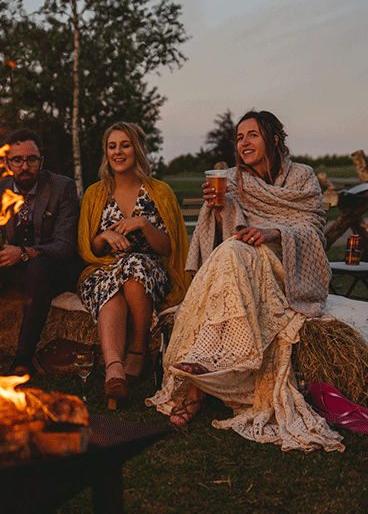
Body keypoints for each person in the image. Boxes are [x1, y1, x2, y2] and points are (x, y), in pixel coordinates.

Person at [146, 110, 344, 452]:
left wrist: (273, 232)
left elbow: (313, 229)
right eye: (239, 138)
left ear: (274, 139)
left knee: (233, 254)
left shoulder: (302, 177)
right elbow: (226, 236)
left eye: (251, 135)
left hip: (287, 266)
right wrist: (219, 210)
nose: (244, 143)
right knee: (232, 253)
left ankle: (197, 384)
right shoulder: (234, 180)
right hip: (243, 259)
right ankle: (207, 365)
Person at [78, 122, 191, 409]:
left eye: (125, 145)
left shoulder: (160, 192)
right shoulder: (95, 193)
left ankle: (138, 348)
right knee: (112, 286)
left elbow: (170, 247)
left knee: (135, 266)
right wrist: (104, 235)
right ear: (106, 153)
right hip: (103, 270)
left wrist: (143, 223)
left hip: (149, 270)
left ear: (138, 149)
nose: (118, 151)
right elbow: (87, 248)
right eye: (112, 146)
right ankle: (115, 368)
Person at [0, 129, 83, 376]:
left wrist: (24, 253)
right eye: (17, 160)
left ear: (41, 161)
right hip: (12, 269)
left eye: (31, 159)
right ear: (7, 163)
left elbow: (65, 246)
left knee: (39, 268)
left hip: (54, 270)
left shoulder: (62, 187)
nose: (24, 166)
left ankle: (22, 359)